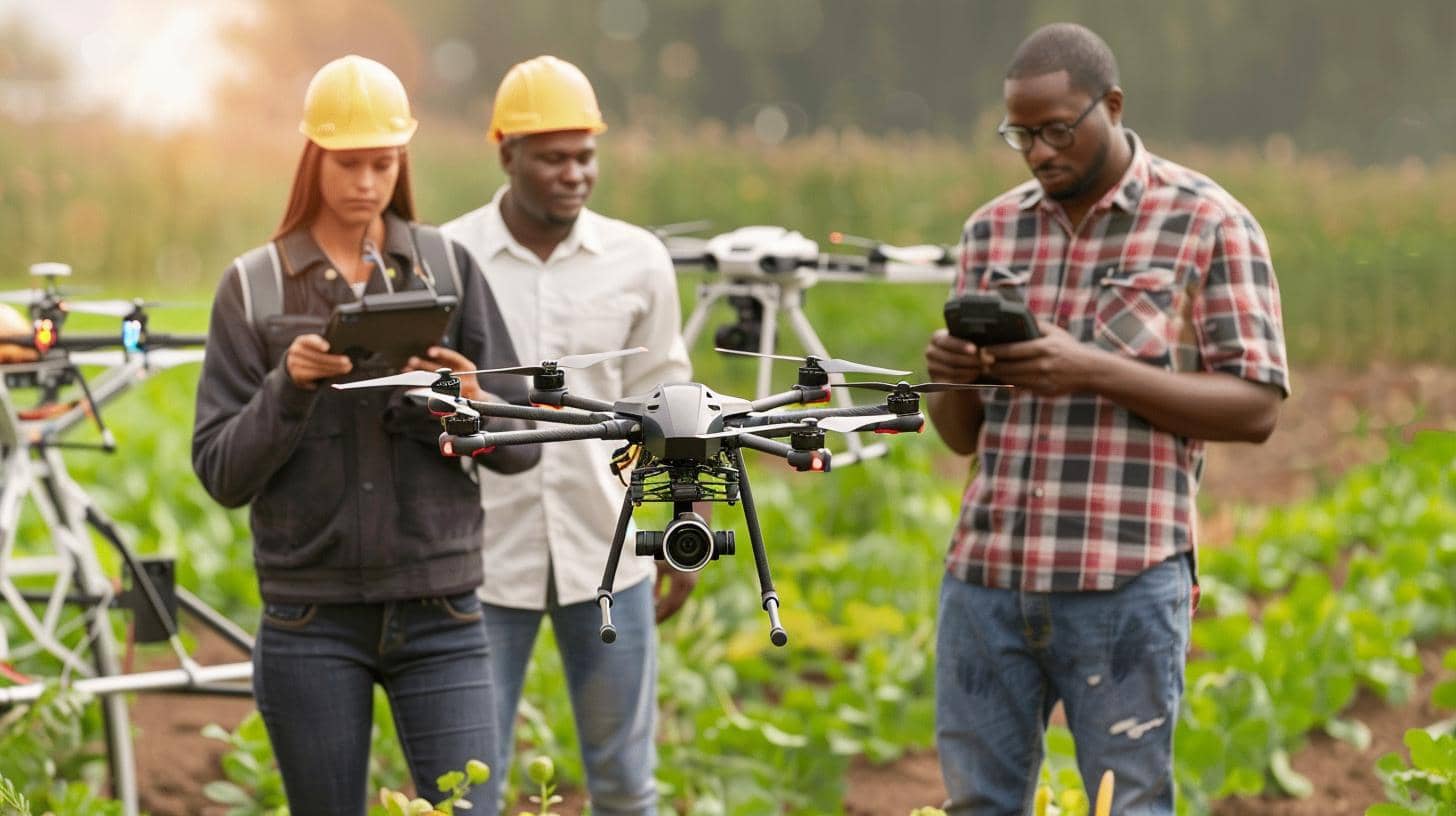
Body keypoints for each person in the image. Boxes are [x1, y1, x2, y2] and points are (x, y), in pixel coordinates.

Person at [923, 24, 1289, 815]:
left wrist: (1091, 369)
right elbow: (961, 436)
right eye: (1020, 134)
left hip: (1123, 577)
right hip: (988, 577)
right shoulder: (992, 230)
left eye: (1057, 130)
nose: (1038, 152)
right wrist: (951, 378)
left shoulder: (1207, 222)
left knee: (1130, 804)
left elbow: (1257, 406)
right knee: (978, 804)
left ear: (1112, 106)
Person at [191, 55, 538, 814]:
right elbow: (220, 472)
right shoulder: (253, 286)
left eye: (384, 163)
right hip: (309, 619)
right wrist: (290, 385)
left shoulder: (448, 268)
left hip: (442, 612)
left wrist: (468, 402)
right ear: (312, 157)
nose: (367, 182)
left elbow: (522, 448)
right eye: (348, 164)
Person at [442, 55, 693, 815]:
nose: (575, 174)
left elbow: (669, 399)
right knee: (469, 791)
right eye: (553, 158)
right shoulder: (448, 257)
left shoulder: (638, 261)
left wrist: (686, 516)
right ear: (506, 153)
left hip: (608, 550)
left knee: (625, 785)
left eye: (585, 156)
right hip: (480, 561)